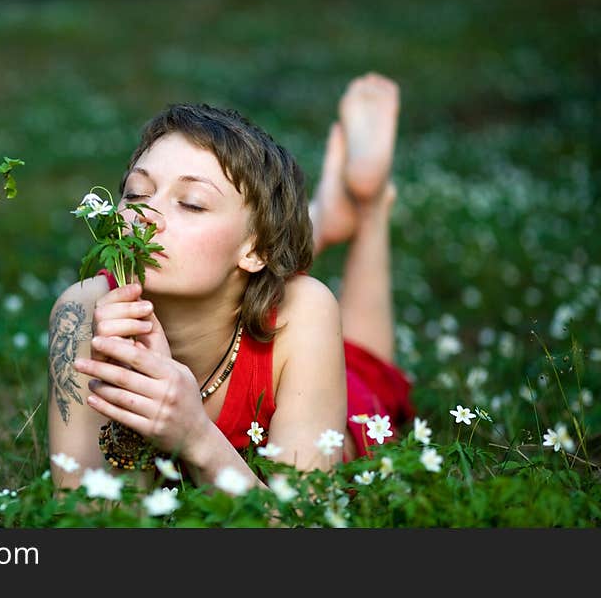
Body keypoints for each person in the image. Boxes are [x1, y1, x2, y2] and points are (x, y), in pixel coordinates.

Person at [47, 72, 414, 491]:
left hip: (299, 370)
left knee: (365, 369)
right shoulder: (82, 313)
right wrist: (129, 392)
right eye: (135, 194)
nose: (144, 215)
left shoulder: (302, 312)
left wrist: (195, 435)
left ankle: (370, 204)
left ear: (255, 251)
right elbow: (94, 518)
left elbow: (302, 519)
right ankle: (323, 216)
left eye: (191, 203)